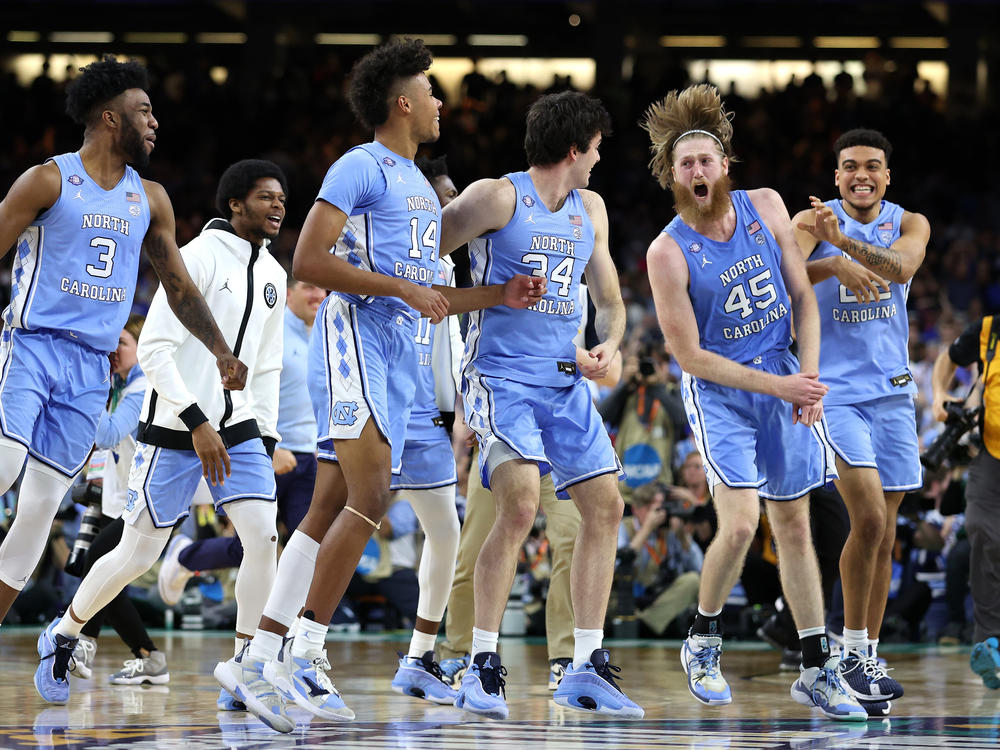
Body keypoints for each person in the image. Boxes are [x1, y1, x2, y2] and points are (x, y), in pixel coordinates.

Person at [215, 38, 543, 734]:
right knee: (370, 495)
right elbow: (308, 257)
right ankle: (303, 652)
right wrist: (397, 286)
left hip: (399, 356)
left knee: (331, 501)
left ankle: (257, 655)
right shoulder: (359, 167)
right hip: (354, 339)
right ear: (402, 102)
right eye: (430, 91)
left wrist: (500, 294)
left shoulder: (421, 188)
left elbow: (429, 297)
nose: (439, 103)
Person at [642, 83, 864, 721]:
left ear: (724, 166)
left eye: (706, 159)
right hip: (722, 390)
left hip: (784, 375)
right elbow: (690, 359)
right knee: (740, 524)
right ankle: (702, 638)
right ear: (672, 177)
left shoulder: (766, 205)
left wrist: (809, 380)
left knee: (795, 526)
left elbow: (801, 297)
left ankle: (817, 667)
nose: (697, 169)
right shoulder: (666, 252)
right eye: (685, 163)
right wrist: (782, 387)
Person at [0, 55, 245, 626]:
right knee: (5, 465)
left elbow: (180, 288)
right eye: (144, 111)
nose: (155, 121)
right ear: (110, 118)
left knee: (39, 509)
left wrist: (219, 349)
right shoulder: (48, 179)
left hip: (93, 368)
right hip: (33, 346)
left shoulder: (151, 198)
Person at [33, 159, 288, 707]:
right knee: (137, 553)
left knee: (263, 537)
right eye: (266, 197)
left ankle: (245, 666)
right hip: (174, 424)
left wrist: (264, 435)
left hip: (239, 426)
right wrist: (196, 420)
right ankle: (65, 632)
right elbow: (152, 350)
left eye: (282, 198)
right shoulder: (196, 256)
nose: (278, 206)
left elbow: (268, 366)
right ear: (236, 204)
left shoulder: (275, 274)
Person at [440, 89, 643, 720]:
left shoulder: (592, 208)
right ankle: (480, 663)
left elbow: (610, 303)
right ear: (576, 148)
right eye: (598, 148)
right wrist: (492, 293)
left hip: (565, 380)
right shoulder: (496, 197)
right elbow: (418, 255)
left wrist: (607, 345)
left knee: (605, 508)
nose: (601, 159)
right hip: (500, 376)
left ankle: (584, 664)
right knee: (521, 504)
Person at [792, 128, 929, 712]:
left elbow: (900, 270)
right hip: (836, 392)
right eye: (850, 167)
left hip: (894, 392)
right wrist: (830, 263)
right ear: (837, 174)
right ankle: (846, 654)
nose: (861, 175)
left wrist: (841, 244)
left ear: (887, 175)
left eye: (872, 166)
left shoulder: (909, 221)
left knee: (886, 530)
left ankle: (866, 656)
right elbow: (781, 282)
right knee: (867, 516)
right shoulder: (805, 224)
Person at [156, 276, 326, 710]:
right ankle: (186, 557)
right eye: (308, 287)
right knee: (256, 546)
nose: (316, 296)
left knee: (297, 551)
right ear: (289, 292)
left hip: (313, 454)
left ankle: (264, 657)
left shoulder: (325, 330)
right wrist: (270, 444)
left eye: (322, 291)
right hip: (267, 446)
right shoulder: (273, 327)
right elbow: (249, 389)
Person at [65, 315, 171, 686]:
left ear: (142, 346)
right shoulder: (123, 386)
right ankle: (148, 658)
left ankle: (80, 643)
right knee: (107, 579)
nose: (113, 350)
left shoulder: (142, 388)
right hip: (121, 502)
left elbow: (108, 433)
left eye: (122, 342)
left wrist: (91, 383)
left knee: (98, 568)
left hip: (149, 502)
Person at [931, 316, 1000, 689]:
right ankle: (990, 644)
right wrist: (941, 394)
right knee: (980, 530)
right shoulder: (988, 329)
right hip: (991, 453)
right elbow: (949, 357)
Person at [617, 482, 702, 637]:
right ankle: (646, 624)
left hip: (657, 597)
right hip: (624, 596)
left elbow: (699, 566)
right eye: (651, 508)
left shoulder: (668, 531)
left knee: (693, 581)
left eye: (660, 507)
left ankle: (646, 624)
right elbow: (619, 565)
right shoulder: (623, 527)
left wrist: (683, 536)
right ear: (636, 509)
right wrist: (646, 530)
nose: (658, 513)